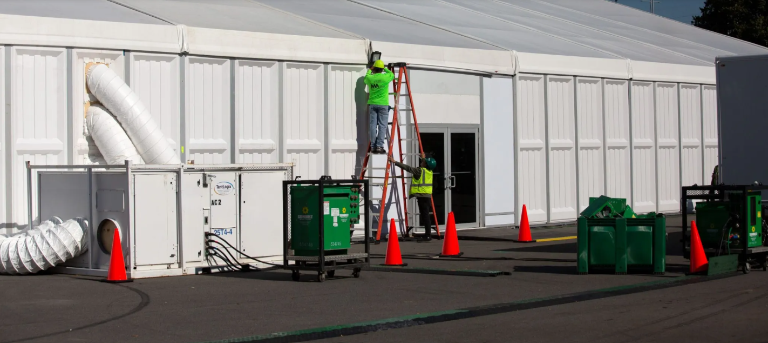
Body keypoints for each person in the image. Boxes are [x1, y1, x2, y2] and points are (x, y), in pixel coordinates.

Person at [388, 152, 437, 241]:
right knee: (426, 215)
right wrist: (423, 158)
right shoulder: (429, 171)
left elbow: (408, 168)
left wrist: (395, 162)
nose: (421, 162)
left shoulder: (419, 171)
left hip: (422, 196)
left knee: (425, 216)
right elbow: (425, 165)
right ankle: (427, 234)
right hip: (426, 196)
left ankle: (428, 235)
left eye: (423, 162)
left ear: (425, 165)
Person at [364, 60, 395, 154]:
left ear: (374, 68)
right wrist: (385, 68)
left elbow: (366, 78)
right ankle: (379, 146)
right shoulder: (385, 77)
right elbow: (392, 74)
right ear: (381, 69)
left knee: (373, 125)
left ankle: (373, 146)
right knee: (382, 125)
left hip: (373, 104)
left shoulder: (370, 78)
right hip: (383, 104)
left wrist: (370, 69)